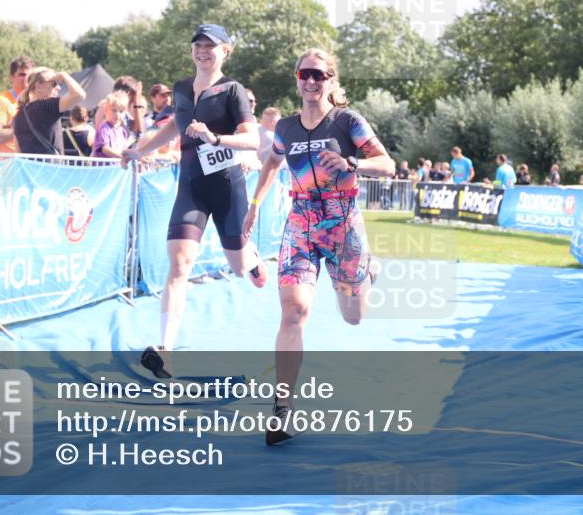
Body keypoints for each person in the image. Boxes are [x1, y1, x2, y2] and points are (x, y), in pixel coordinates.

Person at [243, 47, 395, 446]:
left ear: (331, 80)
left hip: (343, 225)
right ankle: (283, 409)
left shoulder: (348, 121)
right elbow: (273, 163)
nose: (311, 81)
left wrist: (351, 164)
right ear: (297, 78)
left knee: (353, 316)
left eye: (319, 75)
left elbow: (388, 164)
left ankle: (365, 273)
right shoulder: (287, 129)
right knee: (294, 310)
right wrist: (255, 205)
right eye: (305, 74)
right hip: (301, 225)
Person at [122, 24, 267, 377]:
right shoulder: (182, 88)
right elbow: (174, 125)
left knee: (237, 266)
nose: (202, 51)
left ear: (226, 51)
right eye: (198, 45)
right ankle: (165, 349)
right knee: (180, 263)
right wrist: (140, 150)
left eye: (211, 46)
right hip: (191, 187)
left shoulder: (233, 91)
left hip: (228, 186)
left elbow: (253, 141)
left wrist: (215, 138)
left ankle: (251, 259)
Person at [12, 68, 87, 155]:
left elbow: (18, 152)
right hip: (50, 167)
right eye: (54, 84)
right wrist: (63, 75)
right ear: (38, 86)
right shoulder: (46, 106)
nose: (58, 88)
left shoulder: (19, 114)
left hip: (29, 167)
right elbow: (80, 95)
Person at [0, 56, 35, 154]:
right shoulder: (1, 101)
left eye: (30, 75)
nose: (26, 79)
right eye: (22, 74)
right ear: (11, 78)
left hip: (29, 164)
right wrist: (24, 130)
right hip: (8, 165)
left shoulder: (35, 100)